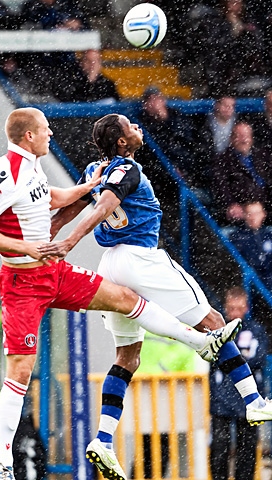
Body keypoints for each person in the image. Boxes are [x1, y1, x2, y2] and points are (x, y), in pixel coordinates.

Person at [0, 107, 238, 480]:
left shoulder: (33, 167)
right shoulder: (2, 172)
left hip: (54, 273)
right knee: (21, 370)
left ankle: (199, 343)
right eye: (45, 130)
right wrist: (26, 247)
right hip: (22, 283)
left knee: (125, 299)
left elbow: (54, 198)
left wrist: (88, 185)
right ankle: (3, 464)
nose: (51, 134)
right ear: (28, 136)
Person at [38, 113, 272, 480]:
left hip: (110, 264)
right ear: (121, 142)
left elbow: (76, 206)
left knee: (127, 355)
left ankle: (102, 439)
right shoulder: (126, 169)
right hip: (141, 258)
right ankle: (253, 400)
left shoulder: (93, 170)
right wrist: (67, 242)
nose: (137, 128)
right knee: (214, 321)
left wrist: (52, 230)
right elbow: (99, 208)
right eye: (131, 126)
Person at [210, 286, 268, 480]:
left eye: (239, 307)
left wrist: (231, 362)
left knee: (248, 449)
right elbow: (212, 359)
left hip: (249, 399)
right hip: (222, 399)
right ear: (225, 307)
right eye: (231, 307)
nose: (235, 312)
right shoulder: (218, 330)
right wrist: (239, 360)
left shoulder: (256, 330)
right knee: (219, 449)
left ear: (246, 307)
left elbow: (257, 360)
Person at [130, 332, 198, 479]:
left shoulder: (153, 321)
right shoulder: (174, 325)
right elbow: (183, 353)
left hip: (155, 390)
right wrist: (163, 370)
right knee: (155, 445)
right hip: (158, 390)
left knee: (152, 445)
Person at [210, 122, 272, 225]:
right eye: (239, 136)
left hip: (266, 205)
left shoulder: (263, 156)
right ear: (231, 139)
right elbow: (220, 186)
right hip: (242, 206)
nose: (244, 140)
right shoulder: (222, 160)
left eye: (246, 135)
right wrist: (231, 204)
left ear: (251, 138)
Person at [52, 49, 120, 103]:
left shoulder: (108, 84)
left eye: (96, 61)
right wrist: (90, 81)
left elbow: (116, 105)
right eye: (88, 61)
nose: (92, 65)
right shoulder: (71, 81)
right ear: (82, 63)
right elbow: (74, 101)